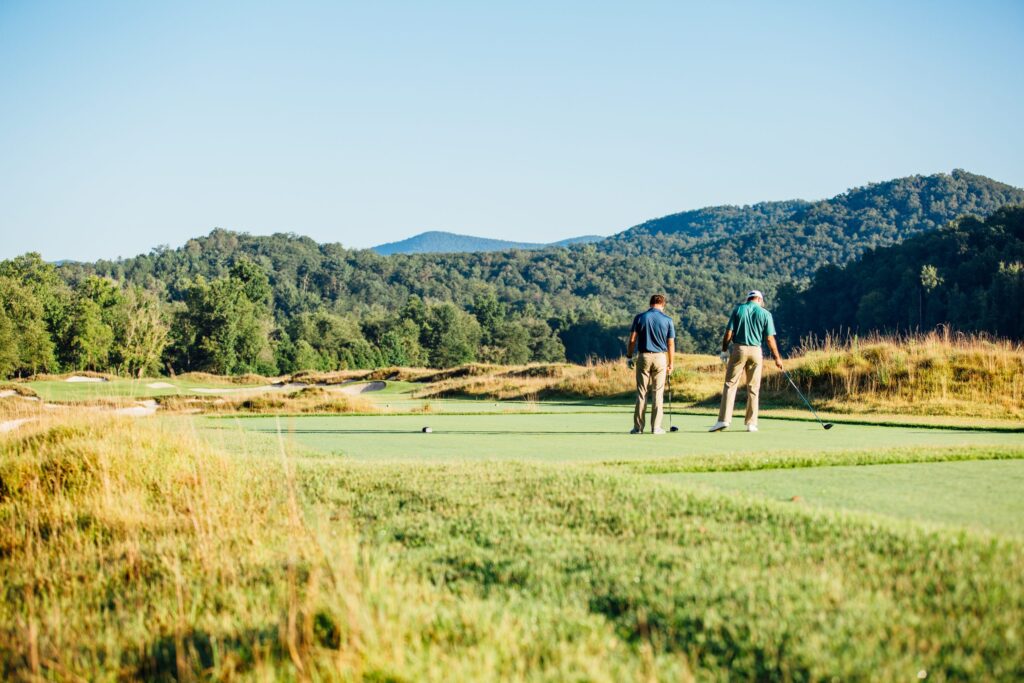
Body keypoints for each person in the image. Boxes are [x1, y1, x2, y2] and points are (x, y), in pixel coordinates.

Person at [709, 289, 783, 433]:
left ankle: (723, 420)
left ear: (748, 299)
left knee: (730, 384)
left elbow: (729, 333)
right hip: (756, 351)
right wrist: (777, 358)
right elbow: (769, 338)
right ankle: (751, 423)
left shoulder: (739, 309)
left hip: (739, 349)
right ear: (760, 300)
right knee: (753, 387)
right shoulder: (765, 313)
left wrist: (724, 350)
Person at [626, 294, 676, 434]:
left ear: (650, 303)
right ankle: (656, 427)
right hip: (660, 358)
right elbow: (670, 343)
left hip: (644, 356)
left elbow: (632, 340)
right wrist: (671, 363)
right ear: (663, 304)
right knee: (657, 393)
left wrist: (629, 357)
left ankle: (638, 428)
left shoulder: (640, 317)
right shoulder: (668, 320)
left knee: (642, 393)